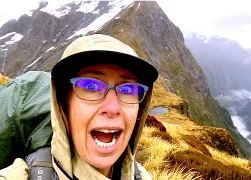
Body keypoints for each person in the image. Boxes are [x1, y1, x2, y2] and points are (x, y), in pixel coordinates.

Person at [0, 34, 158, 179]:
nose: (112, 108)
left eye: (128, 89)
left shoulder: (143, 176)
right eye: (91, 87)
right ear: (62, 105)